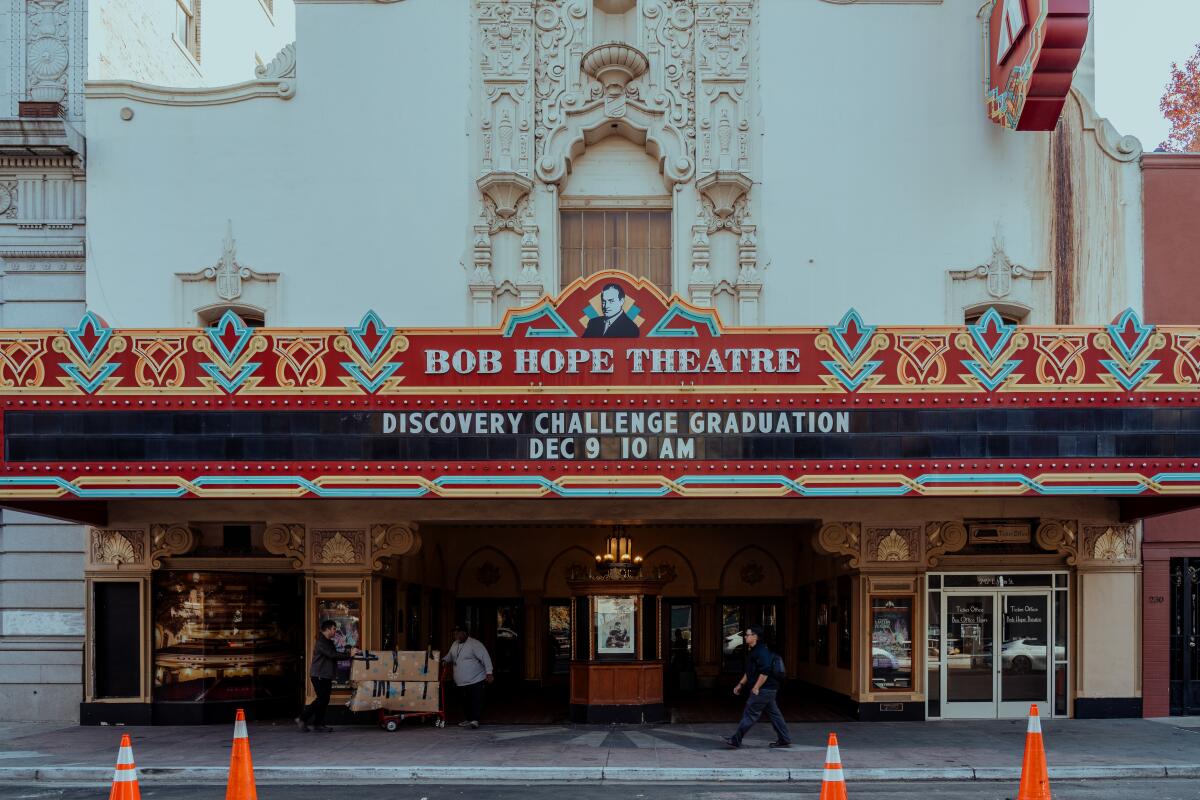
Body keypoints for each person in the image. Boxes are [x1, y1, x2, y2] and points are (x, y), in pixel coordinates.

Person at [722, 626, 791, 749]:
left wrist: (756, 687)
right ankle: (784, 738)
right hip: (768, 690)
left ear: (755, 637)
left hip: (764, 689)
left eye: (747, 635)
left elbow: (765, 671)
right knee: (775, 714)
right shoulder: (754, 651)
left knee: (750, 713)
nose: (745, 636)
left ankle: (735, 740)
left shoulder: (762, 652)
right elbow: (750, 672)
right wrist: (740, 684)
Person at [296, 619, 357, 733]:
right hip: (319, 674)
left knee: (324, 699)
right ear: (328, 629)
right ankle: (303, 718)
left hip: (325, 675)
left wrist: (348, 652)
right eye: (334, 629)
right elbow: (332, 655)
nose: (335, 631)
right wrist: (349, 654)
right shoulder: (321, 642)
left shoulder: (328, 641)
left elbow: (334, 654)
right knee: (322, 699)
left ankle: (318, 723)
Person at [442, 624, 494, 729]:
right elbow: (450, 656)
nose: (455, 635)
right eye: (454, 633)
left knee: (475, 700)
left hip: (476, 679)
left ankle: (475, 720)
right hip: (460, 681)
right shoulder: (454, 644)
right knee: (464, 701)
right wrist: (444, 660)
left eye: (458, 633)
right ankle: (468, 719)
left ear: (465, 633)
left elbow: (485, 657)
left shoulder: (475, 644)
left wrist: (489, 672)